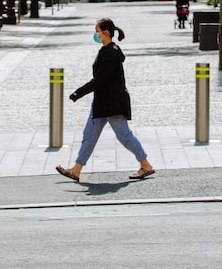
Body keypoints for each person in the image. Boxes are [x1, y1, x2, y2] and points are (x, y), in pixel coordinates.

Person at [56, 18, 156, 183]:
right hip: (102, 103)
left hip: (112, 104)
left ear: (106, 33)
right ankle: (76, 170)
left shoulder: (111, 53)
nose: (95, 34)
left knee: (124, 136)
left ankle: (145, 164)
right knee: (89, 135)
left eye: (97, 30)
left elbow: (100, 80)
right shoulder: (106, 50)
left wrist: (77, 93)